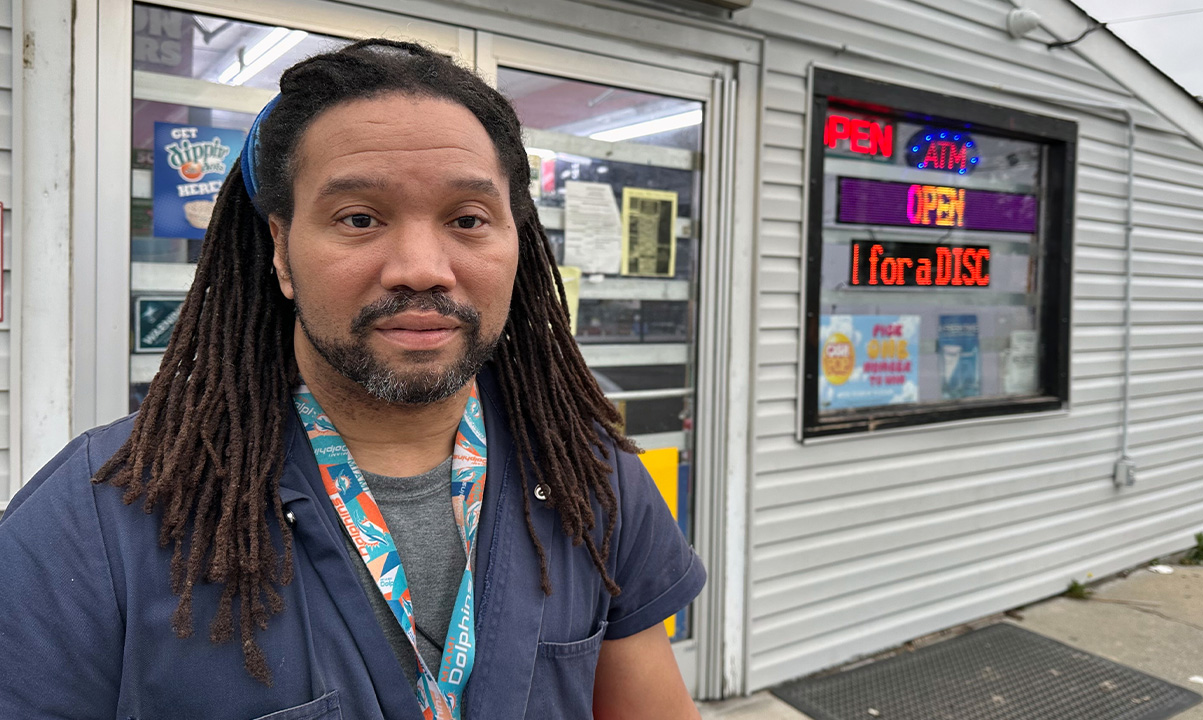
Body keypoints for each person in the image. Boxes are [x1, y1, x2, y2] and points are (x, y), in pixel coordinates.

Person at [0, 39, 704, 720]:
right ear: (280, 249)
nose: (422, 266)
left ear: (516, 241)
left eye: (468, 218)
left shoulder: (591, 477)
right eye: (360, 218)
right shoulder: (100, 515)